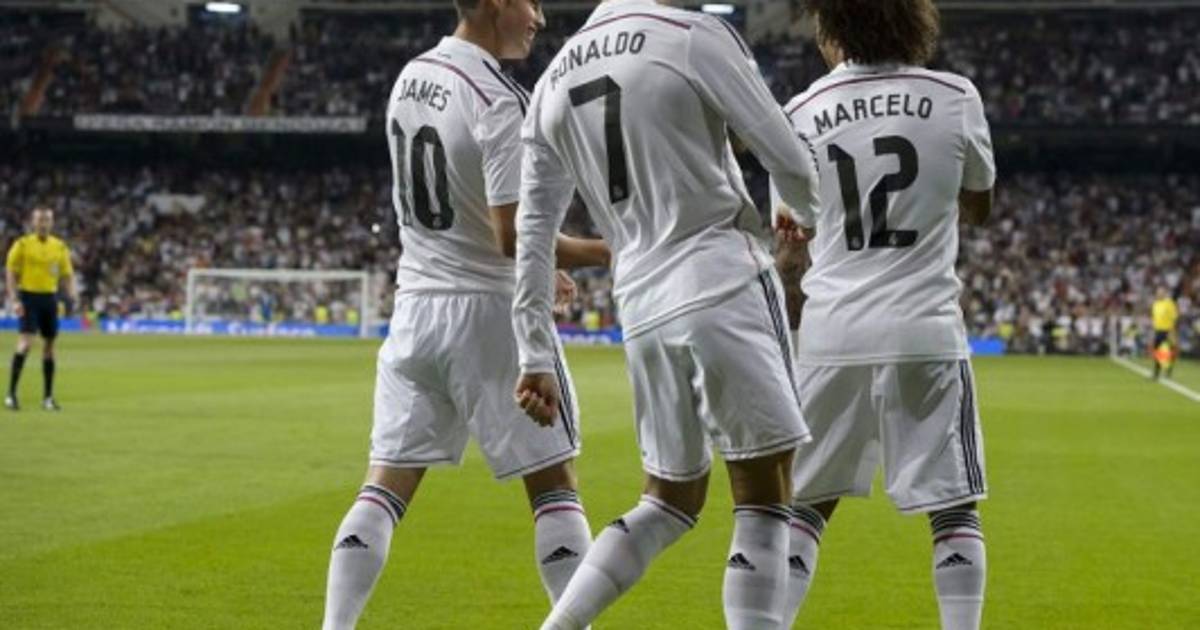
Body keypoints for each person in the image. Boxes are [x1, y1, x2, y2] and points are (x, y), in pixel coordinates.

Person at [511, 1, 821, 627]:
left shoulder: (552, 82)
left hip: (641, 304)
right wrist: (804, 217)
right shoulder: (692, 35)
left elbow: (533, 230)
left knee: (669, 500)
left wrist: (534, 350)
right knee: (764, 497)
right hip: (721, 278)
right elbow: (787, 155)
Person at [321, 1, 611, 628]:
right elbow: (513, 236)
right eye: (531, 2)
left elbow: (467, 211)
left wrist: (541, 263)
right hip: (488, 317)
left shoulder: (410, 76)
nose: (539, 17)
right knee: (554, 486)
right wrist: (610, 250)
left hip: (415, 312)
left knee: (383, 488)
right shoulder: (497, 97)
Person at [773, 1, 995, 629]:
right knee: (954, 508)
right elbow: (979, 208)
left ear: (833, 27)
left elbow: (791, 243)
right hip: (924, 327)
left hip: (830, 332)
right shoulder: (954, 95)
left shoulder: (800, 112)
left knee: (804, 507)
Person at [5, 207, 77, 412]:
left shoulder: (59, 247)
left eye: (47, 220)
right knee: (26, 343)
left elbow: (67, 274)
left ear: (52, 223)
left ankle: (47, 398)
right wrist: (14, 299)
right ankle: (11, 394)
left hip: (50, 299)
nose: (43, 224)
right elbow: (10, 271)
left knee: (50, 346)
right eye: (40, 220)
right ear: (33, 222)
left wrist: (72, 295)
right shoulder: (22, 244)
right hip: (29, 298)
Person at [1150, 286, 1178, 380]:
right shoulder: (1155, 304)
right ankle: (1156, 372)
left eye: (1161, 292)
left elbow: (1174, 317)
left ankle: (1169, 370)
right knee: (1157, 352)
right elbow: (1154, 318)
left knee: (1171, 351)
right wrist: (1153, 330)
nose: (1159, 294)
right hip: (1158, 331)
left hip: (1168, 330)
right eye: (1158, 292)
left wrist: (1172, 331)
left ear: (1164, 293)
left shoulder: (1169, 303)